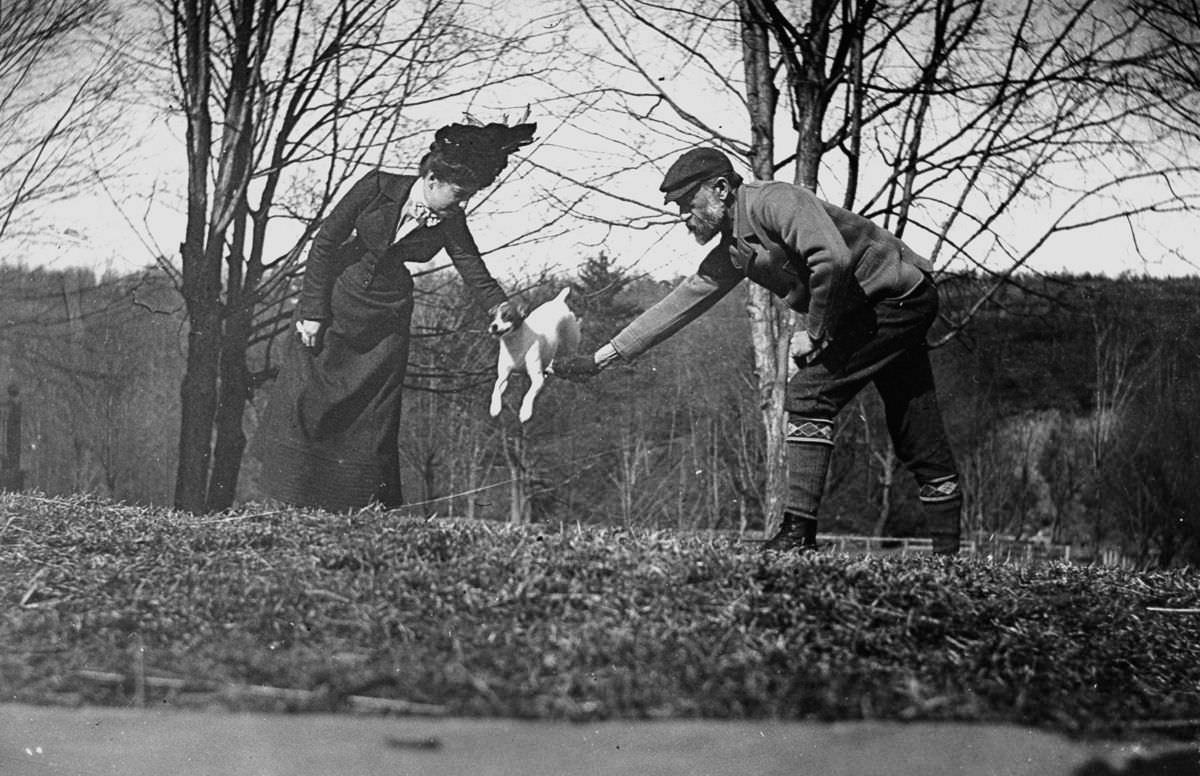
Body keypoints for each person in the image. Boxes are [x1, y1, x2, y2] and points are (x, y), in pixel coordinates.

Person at [553, 147, 962, 555]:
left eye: (685, 203)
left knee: (808, 394)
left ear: (720, 188)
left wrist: (816, 334)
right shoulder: (734, 246)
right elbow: (682, 302)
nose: (682, 216)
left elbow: (832, 260)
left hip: (893, 299)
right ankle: (948, 559)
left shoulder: (775, 200)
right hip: (889, 303)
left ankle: (797, 537)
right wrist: (600, 359)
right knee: (914, 423)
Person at [253, 121, 536, 511]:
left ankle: (356, 508)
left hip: (386, 322)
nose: (463, 203)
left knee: (371, 419)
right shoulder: (376, 187)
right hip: (331, 309)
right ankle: (288, 500)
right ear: (433, 179)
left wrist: (500, 306)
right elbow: (324, 244)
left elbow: (472, 268)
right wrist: (313, 311)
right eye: (460, 193)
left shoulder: (450, 219)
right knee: (307, 404)